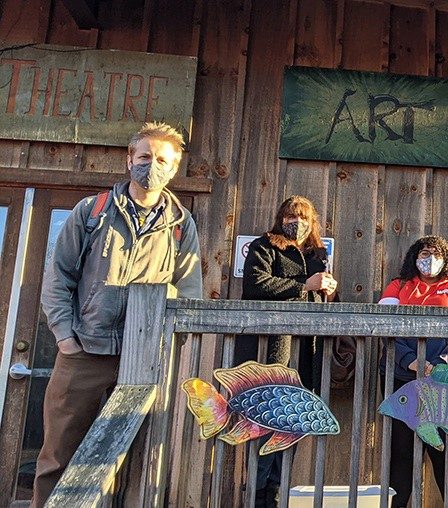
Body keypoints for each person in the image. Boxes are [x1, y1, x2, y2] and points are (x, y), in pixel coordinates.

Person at [34, 122, 203, 506]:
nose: (152, 166)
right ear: (129, 160)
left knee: (130, 463)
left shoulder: (181, 226)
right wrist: (65, 337)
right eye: (144, 157)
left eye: (162, 160)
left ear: (174, 169)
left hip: (142, 363)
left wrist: (160, 333)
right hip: (84, 355)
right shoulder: (91, 212)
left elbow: (188, 292)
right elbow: (58, 277)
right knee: (58, 458)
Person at [238, 195, 355, 507]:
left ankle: (275, 492)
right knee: (267, 422)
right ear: (281, 218)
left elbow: (320, 297)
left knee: (293, 423)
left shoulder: (317, 253)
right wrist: (305, 284)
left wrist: (329, 293)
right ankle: (257, 495)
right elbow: (254, 285)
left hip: (307, 353)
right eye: (291, 216)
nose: (297, 222)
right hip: (275, 351)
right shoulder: (265, 245)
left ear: (312, 222)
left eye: (303, 217)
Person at [378, 235, 448, 507]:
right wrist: (411, 361)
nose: (428, 258)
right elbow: (386, 329)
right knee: (402, 453)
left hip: (447, 385)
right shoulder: (398, 287)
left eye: (434, 253)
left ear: (445, 258)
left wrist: (441, 366)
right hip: (404, 380)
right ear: (414, 257)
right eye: (423, 253)